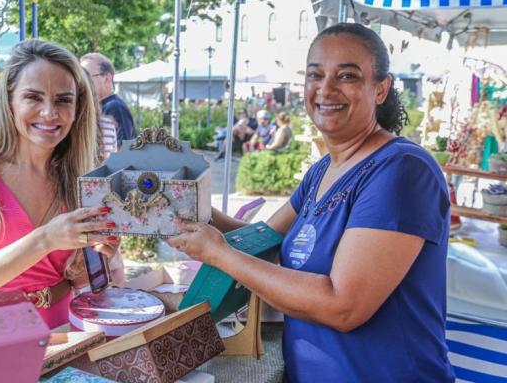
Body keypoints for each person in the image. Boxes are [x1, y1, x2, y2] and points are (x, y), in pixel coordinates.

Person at [169, 23, 454, 382]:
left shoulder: (401, 171)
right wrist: (194, 211)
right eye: (315, 74)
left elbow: (343, 306)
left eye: (347, 76)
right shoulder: (323, 170)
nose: (326, 88)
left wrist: (218, 254)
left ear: (381, 89)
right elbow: (262, 239)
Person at [0, 40, 120, 329]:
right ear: (9, 101)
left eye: (63, 100)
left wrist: (94, 257)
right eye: (33, 97)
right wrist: (46, 239)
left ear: (77, 107)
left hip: (64, 331)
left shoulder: (79, 175)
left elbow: (86, 280)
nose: (49, 112)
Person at [80, 53, 136, 148]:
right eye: (81, 77)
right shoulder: (97, 107)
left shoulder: (115, 107)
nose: (83, 82)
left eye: (87, 76)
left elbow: (122, 154)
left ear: (107, 78)